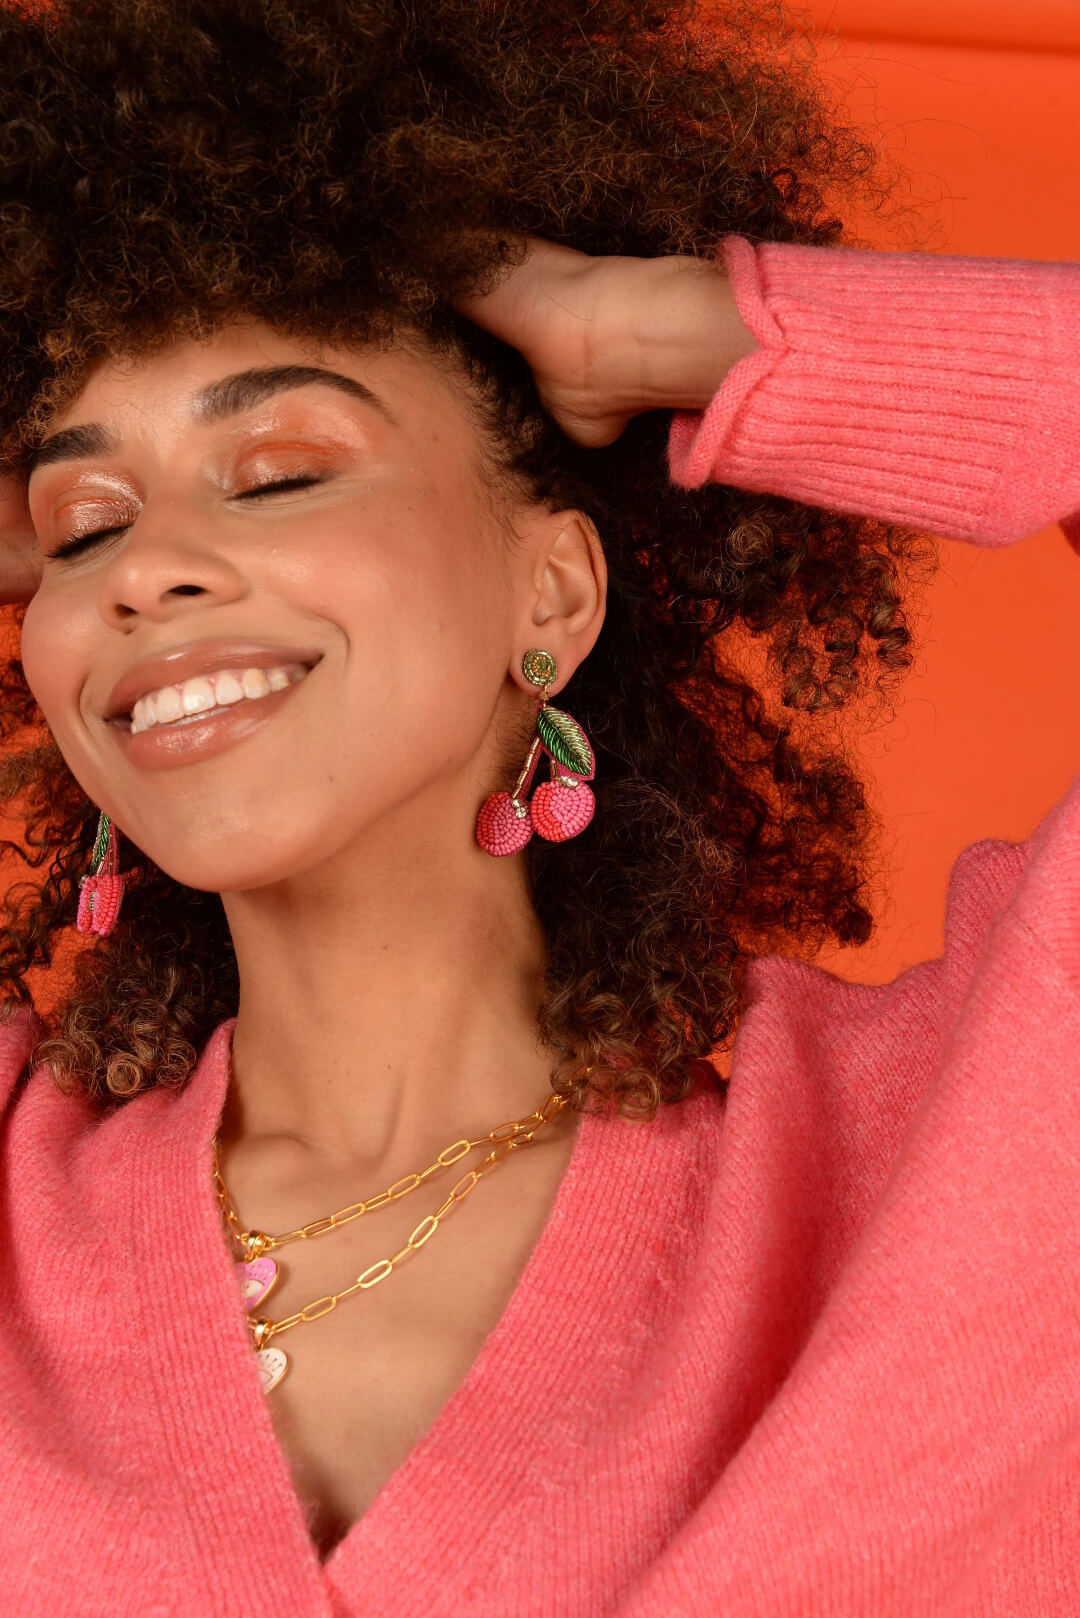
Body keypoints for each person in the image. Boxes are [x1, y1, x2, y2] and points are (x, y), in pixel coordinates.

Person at [0, 0, 1077, 1613]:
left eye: (281, 471)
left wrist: (692, 338)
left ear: (552, 592)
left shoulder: (943, 1155)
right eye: (80, 527)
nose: (142, 567)